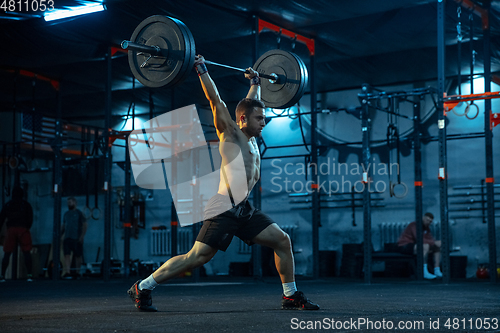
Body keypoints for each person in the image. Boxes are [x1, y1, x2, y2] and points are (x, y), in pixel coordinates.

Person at [127, 55, 319, 311]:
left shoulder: (251, 138)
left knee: (282, 240)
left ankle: (290, 295)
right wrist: (202, 69)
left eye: (264, 118)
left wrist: (256, 82)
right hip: (223, 207)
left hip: (244, 209)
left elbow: (249, 104)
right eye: (260, 119)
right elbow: (215, 101)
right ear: (242, 120)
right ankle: (143, 287)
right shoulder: (230, 135)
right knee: (196, 257)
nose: (264, 122)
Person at [0, 186, 34, 282]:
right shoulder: (26, 205)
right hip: (23, 229)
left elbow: (1, 218)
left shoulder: (8, 205)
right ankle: (29, 275)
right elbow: (30, 218)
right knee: (26, 252)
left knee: (7, 253)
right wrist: (27, 227)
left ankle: (2, 275)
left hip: (11, 229)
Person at [397, 212, 442, 279]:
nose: (428, 222)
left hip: (414, 245)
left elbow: (429, 238)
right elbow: (419, 239)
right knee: (425, 246)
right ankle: (423, 271)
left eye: (430, 221)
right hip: (404, 245)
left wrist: (435, 243)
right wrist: (434, 242)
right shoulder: (414, 225)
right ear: (423, 218)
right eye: (427, 220)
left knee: (437, 248)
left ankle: (437, 270)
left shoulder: (426, 228)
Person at [61, 197, 87, 279]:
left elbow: (84, 225)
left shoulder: (79, 213)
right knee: (67, 255)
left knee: (78, 255)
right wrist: (59, 236)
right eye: (68, 202)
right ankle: (68, 272)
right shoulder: (66, 214)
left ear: (75, 203)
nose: (69, 204)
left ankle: (77, 272)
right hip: (67, 237)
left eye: (70, 202)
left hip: (76, 237)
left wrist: (82, 236)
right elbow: (64, 226)